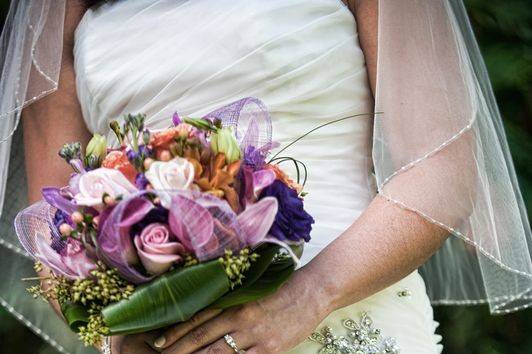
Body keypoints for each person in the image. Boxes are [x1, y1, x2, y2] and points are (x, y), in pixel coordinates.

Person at [0, 1, 530, 353]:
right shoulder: (60, 10)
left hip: (343, 313)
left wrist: (308, 295)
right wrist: (120, 334)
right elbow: (55, 227)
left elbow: (441, 167)